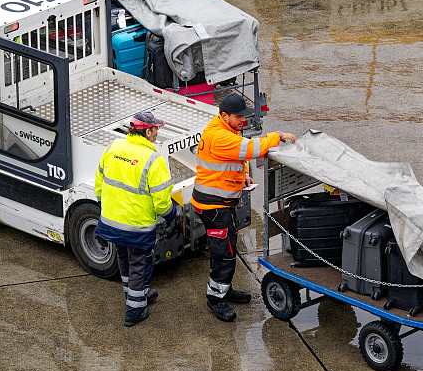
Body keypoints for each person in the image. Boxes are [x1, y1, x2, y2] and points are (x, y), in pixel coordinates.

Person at [192, 94, 296, 322]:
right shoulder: (220, 136)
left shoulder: (224, 128)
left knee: (226, 249)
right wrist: (276, 136)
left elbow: (227, 163)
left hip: (220, 203)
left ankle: (223, 289)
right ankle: (216, 298)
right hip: (214, 206)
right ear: (224, 116)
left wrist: (244, 177)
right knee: (224, 254)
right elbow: (252, 148)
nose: (244, 121)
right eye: (239, 117)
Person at [95, 111, 179, 327]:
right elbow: (161, 200)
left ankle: (134, 294)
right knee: (140, 264)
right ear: (147, 131)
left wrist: (105, 207)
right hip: (137, 226)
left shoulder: (113, 148)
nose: (157, 132)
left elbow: (100, 180)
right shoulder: (152, 159)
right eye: (156, 129)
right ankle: (135, 310)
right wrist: (171, 214)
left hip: (111, 221)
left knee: (123, 257)